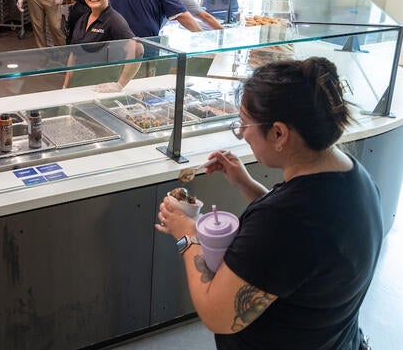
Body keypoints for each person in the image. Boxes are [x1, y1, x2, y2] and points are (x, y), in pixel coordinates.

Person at [156, 57, 382, 350]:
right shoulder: (351, 174)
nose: (242, 134)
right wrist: (245, 183)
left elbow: (218, 315)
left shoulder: (284, 222)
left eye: (243, 124)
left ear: (279, 133)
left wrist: (187, 235)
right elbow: (300, 248)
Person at [62, 0, 143, 91]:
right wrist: (66, 85)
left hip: (98, 88)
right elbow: (74, 54)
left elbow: (137, 49)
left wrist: (119, 85)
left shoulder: (114, 20)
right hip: (79, 84)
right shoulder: (84, 18)